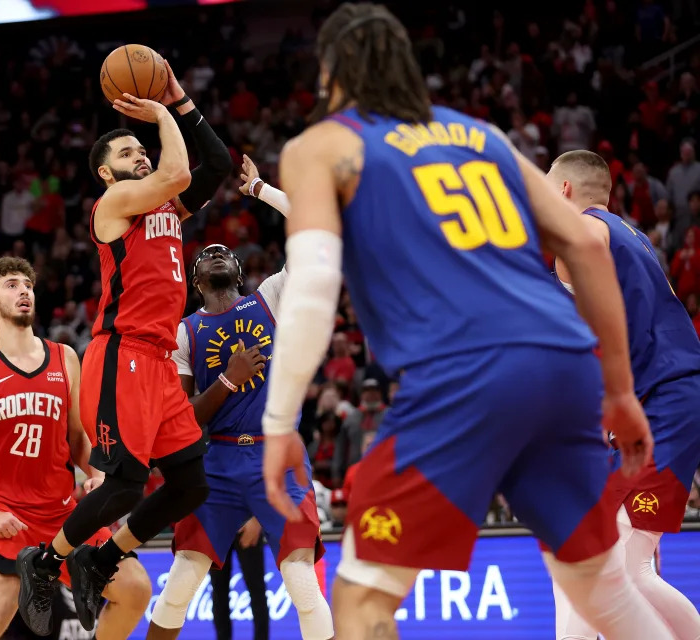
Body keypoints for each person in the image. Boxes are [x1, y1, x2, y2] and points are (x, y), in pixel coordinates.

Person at [260, 4, 669, 640]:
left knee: (362, 599)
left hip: (464, 372)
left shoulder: (326, 143)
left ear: (332, 72)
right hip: (564, 368)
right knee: (601, 588)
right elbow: (588, 249)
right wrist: (619, 390)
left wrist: (280, 421)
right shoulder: (480, 135)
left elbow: (313, 285)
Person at [18, 57, 233, 633]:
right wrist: (161, 113)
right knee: (124, 485)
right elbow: (180, 175)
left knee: (190, 483)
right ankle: (45, 562)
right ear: (108, 176)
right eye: (127, 155)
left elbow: (214, 164)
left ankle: (101, 558)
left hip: (160, 361)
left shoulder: (167, 209)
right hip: (122, 354)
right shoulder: (112, 208)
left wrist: (181, 99)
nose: (140, 156)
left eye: (142, 150)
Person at [147, 159, 332, 640]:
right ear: (196, 280)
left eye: (222, 251)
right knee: (179, 586)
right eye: (205, 253)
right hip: (219, 461)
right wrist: (228, 381)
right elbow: (185, 420)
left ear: (238, 270)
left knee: (302, 586)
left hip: (277, 451)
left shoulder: (270, 297)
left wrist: (261, 188)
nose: (215, 253)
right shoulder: (184, 333)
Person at [0, 257, 151, 640]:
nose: (23, 291)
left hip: (61, 512)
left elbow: (78, 441)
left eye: (28, 285)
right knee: (0, 604)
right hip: (6, 514)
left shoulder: (65, 358)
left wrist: (97, 475)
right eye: (11, 285)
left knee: (135, 589)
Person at [547, 150, 700, 639]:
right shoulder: (626, 234)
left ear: (564, 191)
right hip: (659, 401)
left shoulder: (588, 231)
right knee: (623, 567)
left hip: (667, 401)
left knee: (602, 563)